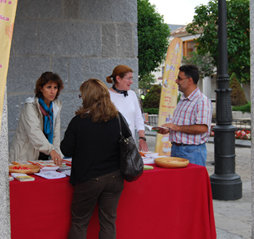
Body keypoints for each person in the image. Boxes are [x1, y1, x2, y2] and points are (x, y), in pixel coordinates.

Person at [60, 79, 130, 239]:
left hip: (88, 179)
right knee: (108, 222)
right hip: (115, 177)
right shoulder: (117, 118)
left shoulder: (79, 121)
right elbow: (128, 141)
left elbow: (66, 149)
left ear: (87, 97)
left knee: (79, 222)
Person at [158, 65, 212, 166]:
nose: (176, 81)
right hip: (176, 149)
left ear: (190, 80)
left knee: (192, 181)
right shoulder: (183, 100)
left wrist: (176, 127)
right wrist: (169, 129)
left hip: (192, 152)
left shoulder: (202, 101)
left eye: (179, 78)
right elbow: (182, 125)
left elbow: (202, 128)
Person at [9, 72, 64, 166]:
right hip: (25, 157)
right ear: (41, 88)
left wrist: (57, 155)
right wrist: (51, 150)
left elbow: (56, 135)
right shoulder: (30, 106)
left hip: (45, 157)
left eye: (55, 87)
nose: (52, 91)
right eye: (49, 87)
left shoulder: (55, 107)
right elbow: (34, 131)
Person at [106, 65, 148, 152]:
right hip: (111, 144)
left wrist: (142, 137)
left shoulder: (132, 94)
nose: (131, 82)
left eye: (131, 78)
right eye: (128, 78)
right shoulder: (106, 95)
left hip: (129, 144)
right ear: (118, 79)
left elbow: (138, 117)